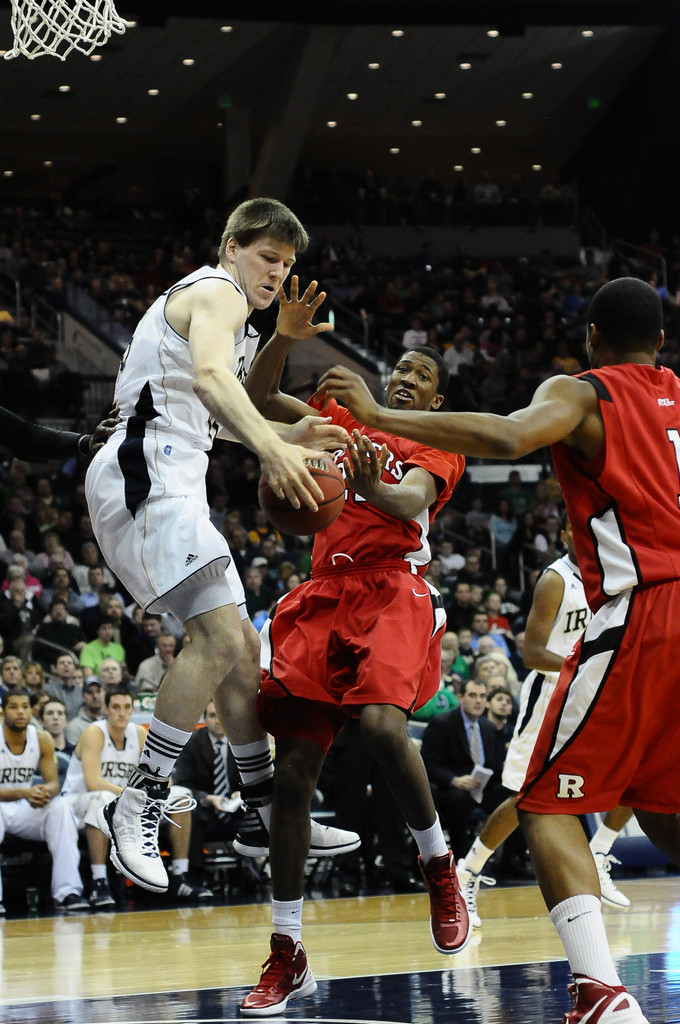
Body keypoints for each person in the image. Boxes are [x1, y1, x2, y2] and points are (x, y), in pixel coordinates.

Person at [319, 276, 678, 1024]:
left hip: (648, 605)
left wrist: (381, 413)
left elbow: (513, 436)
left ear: (592, 340)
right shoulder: (675, 390)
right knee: (664, 802)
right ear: (662, 344)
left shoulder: (587, 391)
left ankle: (598, 991)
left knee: (542, 804)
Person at [85, 197, 357, 894]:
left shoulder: (229, 317)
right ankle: (139, 801)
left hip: (172, 468)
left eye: (289, 263)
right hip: (148, 469)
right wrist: (273, 449)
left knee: (242, 643)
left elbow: (212, 408)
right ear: (232, 246)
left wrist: (287, 436)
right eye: (269, 257)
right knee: (218, 636)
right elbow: (209, 384)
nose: (278, 272)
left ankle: (262, 810)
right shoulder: (217, 292)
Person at [238, 343, 468, 1017]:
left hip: (393, 589)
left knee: (380, 726)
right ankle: (287, 951)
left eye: (421, 376)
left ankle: (437, 863)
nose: (406, 379)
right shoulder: (340, 416)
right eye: (400, 370)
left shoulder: (440, 442)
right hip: (324, 591)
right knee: (293, 776)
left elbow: (407, 499)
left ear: (436, 402)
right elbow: (257, 398)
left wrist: (370, 487)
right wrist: (281, 336)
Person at [457, 516, 632, 928]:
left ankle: (601, 852)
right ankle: (467, 871)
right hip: (551, 694)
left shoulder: (613, 578)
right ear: (564, 535)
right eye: (578, 529)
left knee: (635, 775)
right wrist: (586, 667)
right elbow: (533, 653)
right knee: (525, 797)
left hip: (596, 695)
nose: (588, 536)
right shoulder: (556, 579)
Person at [62, 686, 210, 909]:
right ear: (106, 709)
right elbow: (93, 782)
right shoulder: (94, 732)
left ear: (132, 710)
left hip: (126, 803)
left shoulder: (139, 733)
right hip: (78, 803)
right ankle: (98, 882)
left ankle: (180, 876)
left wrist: (153, 793)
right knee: (101, 799)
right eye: (115, 707)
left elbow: (164, 780)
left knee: (180, 796)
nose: (121, 713)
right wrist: (133, 796)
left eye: (126, 707)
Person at [0, 689, 88, 914]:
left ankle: (67, 892)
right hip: (5, 805)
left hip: (22, 808)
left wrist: (43, 792)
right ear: (2, 712)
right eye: (13, 707)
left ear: (32, 711)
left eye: (25, 707)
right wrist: (25, 792)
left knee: (59, 807)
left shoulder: (41, 738)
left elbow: (53, 784)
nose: (20, 712)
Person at [421, 679, 506, 861]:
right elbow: (429, 765)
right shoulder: (442, 723)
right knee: (460, 799)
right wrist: (455, 780)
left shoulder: (488, 727)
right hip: (451, 789)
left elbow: (496, 766)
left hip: (483, 789)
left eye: (483, 696)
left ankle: (509, 860)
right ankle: (461, 860)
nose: (478, 701)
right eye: (472, 695)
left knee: (519, 796)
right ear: (461, 698)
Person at [172, 699, 245, 877]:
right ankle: (195, 875)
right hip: (204, 809)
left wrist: (242, 793)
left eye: (222, 716)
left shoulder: (241, 741)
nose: (218, 720)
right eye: (213, 716)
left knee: (260, 808)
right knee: (190, 814)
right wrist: (208, 798)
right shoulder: (191, 744)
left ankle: (253, 871)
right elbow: (182, 784)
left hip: (235, 807)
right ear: (204, 719)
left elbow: (254, 779)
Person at [64, 677, 105, 745]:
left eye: (98, 691)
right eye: (90, 692)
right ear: (83, 697)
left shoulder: (111, 720)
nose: (95, 696)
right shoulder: (74, 726)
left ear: (104, 693)